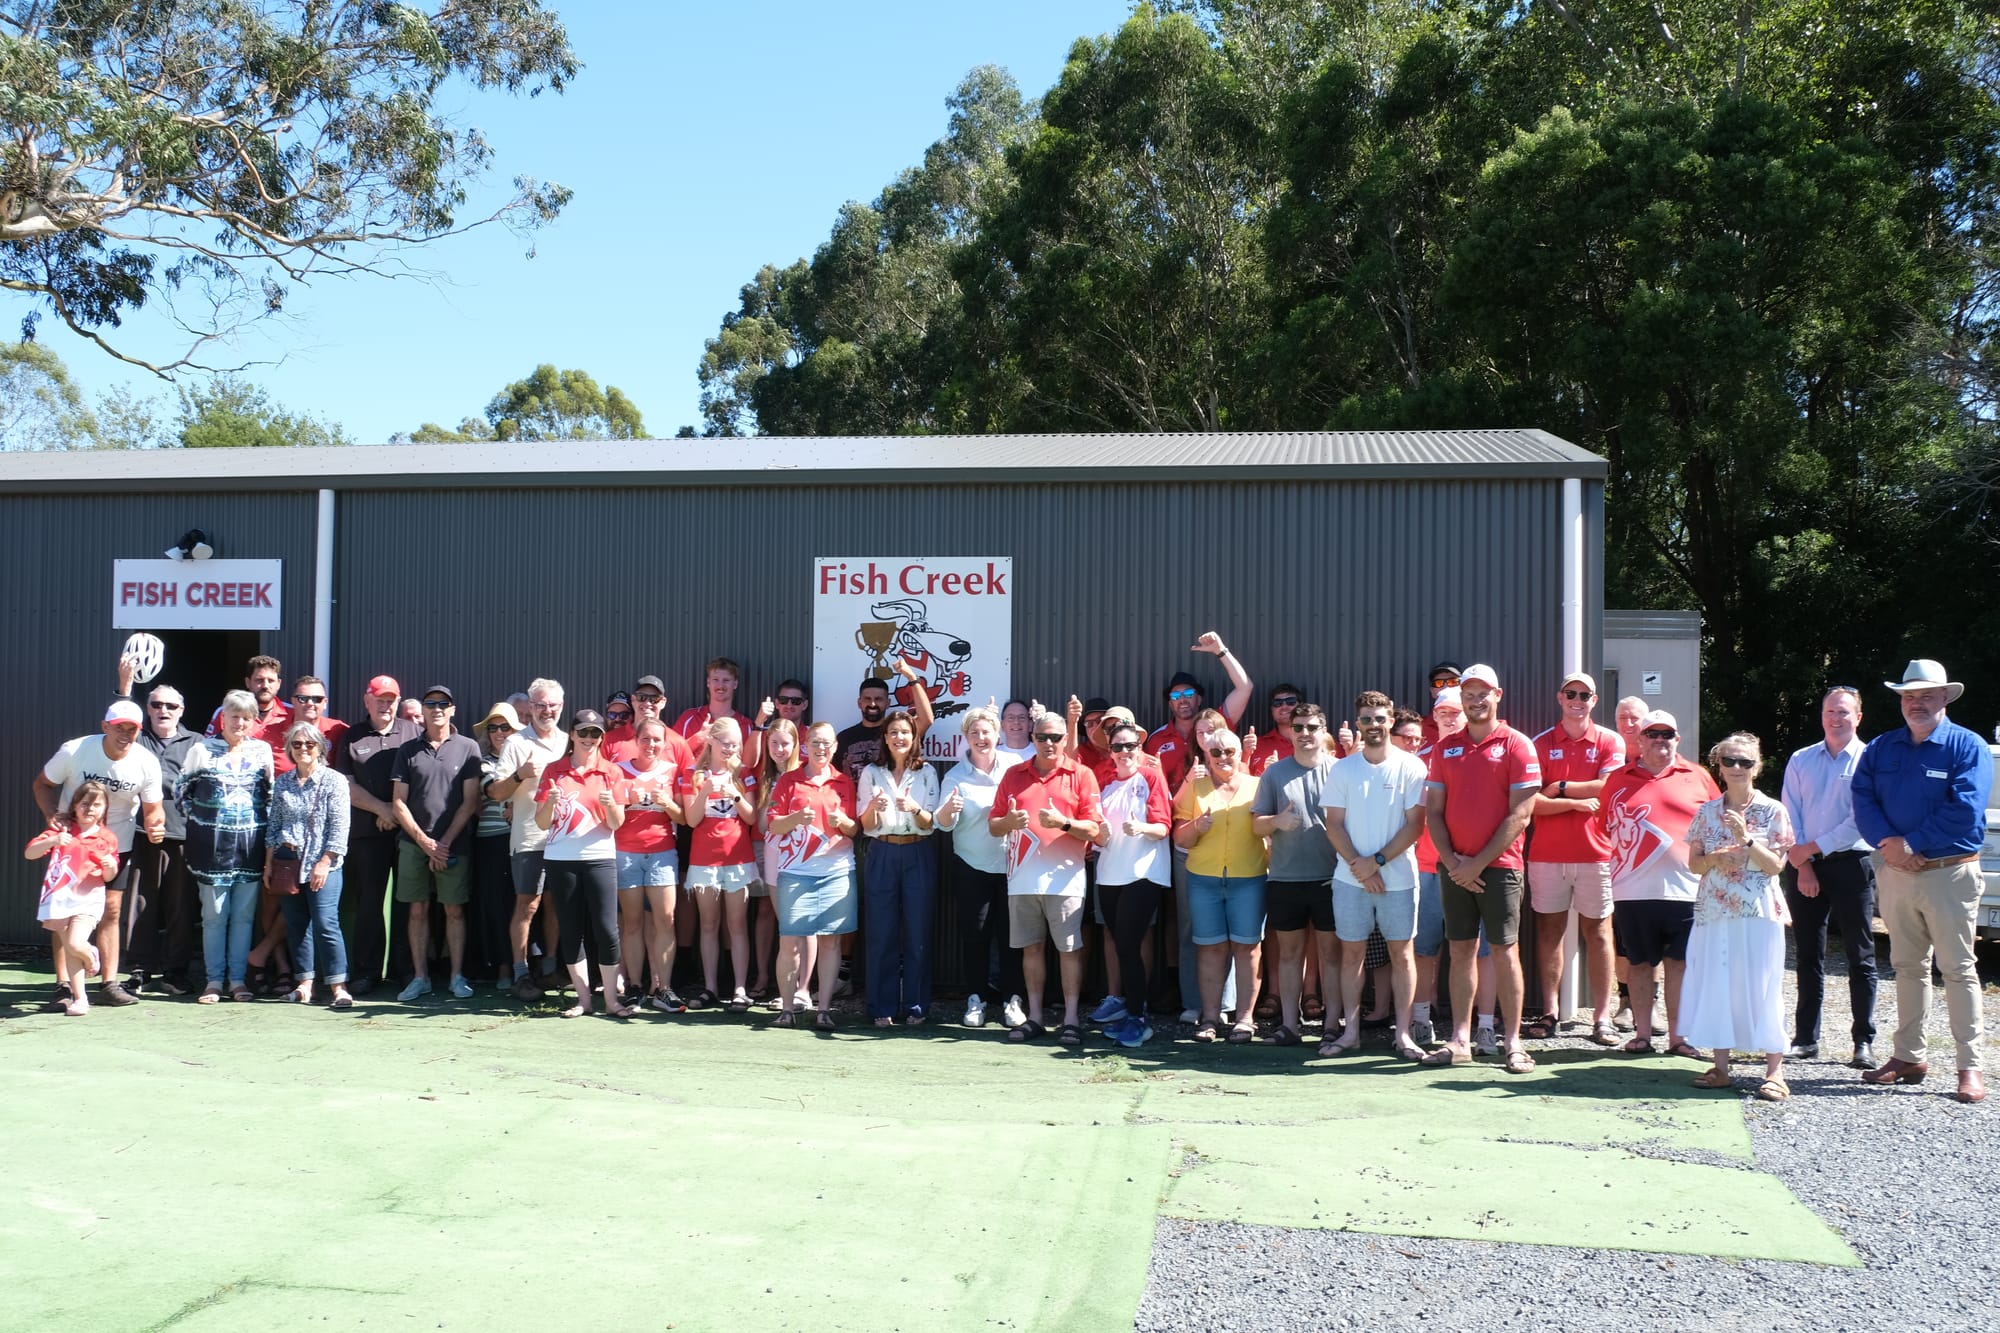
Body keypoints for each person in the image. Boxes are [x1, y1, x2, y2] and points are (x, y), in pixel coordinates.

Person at [1852, 659, 1993, 1104]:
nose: (1916, 703)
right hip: (1895, 873)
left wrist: (1910, 843)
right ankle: (1909, 1056)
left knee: (1958, 969)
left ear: (1945, 698)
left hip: (1949, 873)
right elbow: (1862, 798)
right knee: (1907, 966)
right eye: (1909, 696)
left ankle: (1970, 1066)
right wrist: (1889, 846)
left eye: (1926, 695)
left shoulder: (1967, 746)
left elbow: (1966, 809)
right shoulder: (1882, 747)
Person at [1421, 665, 1540, 1072]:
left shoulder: (1517, 744)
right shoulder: (1445, 748)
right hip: (1455, 869)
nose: (1475, 700)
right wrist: (1454, 862)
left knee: (1505, 951)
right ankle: (1459, 1040)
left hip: (1500, 867)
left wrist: (1477, 863)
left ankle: (1513, 1043)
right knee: (1460, 950)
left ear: (1497, 695)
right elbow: (1434, 812)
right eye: (1468, 694)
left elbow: (1521, 814)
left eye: (1482, 693)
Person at [40, 688, 169, 1012]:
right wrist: (52, 815)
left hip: (115, 844)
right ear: (105, 726)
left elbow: (153, 809)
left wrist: (155, 826)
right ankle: (63, 985)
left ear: (139, 731)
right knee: (63, 914)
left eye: (132, 729)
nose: (125, 734)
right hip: (71, 844)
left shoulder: (146, 762)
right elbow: (42, 784)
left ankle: (109, 983)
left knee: (111, 911)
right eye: (119, 727)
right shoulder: (75, 751)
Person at [1601, 710, 1719, 1061]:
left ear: (1677, 738)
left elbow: (1718, 823)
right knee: (1639, 963)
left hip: (1686, 889)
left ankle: (1678, 1038)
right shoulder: (1618, 778)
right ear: (1639, 740)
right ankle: (1641, 1034)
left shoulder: (1697, 776)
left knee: (1679, 964)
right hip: (1632, 890)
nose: (1659, 740)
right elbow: (1602, 825)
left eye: (1666, 733)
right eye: (1652, 734)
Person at [1682, 732, 1795, 1100]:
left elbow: (1776, 866)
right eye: (1728, 760)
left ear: (1756, 767)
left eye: (1744, 761)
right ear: (1719, 766)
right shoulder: (1706, 812)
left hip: (1759, 911)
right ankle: (1721, 1067)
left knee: (1764, 984)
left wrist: (1746, 839)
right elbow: (1695, 864)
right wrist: (1716, 858)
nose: (1736, 767)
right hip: (1715, 910)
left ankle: (1775, 1072)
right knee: (1719, 982)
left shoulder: (1773, 810)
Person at [1322, 694, 1430, 1062]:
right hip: (1350, 879)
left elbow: (1415, 825)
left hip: (1398, 880)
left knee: (1403, 955)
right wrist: (1360, 866)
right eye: (1366, 719)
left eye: (1380, 718)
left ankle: (1403, 1035)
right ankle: (1350, 1033)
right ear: (1358, 724)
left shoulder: (1412, 766)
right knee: (1351, 955)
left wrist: (1377, 862)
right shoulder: (1342, 769)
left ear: (1390, 721)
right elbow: (1333, 824)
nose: (1373, 725)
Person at [1779, 686, 1877, 1068]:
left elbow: (1859, 821)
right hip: (1804, 866)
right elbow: (1790, 815)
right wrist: (1803, 864)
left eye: (1844, 712)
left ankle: (1863, 1041)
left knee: (1861, 956)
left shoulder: (1870, 760)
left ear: (1858, 717)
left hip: (1851, 865)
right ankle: (1806, 1038)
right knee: (1807, 955)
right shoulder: (1801, 759)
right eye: (1830, 712)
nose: (1836, 718)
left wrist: (1813, 849)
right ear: (1822, 716)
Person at [992, 712, 1104, 1046]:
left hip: (1065, 880)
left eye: (1055, 737)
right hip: (1022, 879)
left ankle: (1071, 1019)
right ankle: (1036, 1017)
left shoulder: (1081, 774)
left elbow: (1095, 829)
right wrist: (1009, 822)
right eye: (1042, 737)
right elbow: (994, 825)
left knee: (1069, 951)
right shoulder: (1013, 774)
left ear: (1065, 739)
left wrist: (1064, 823)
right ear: (1033, 738)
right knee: (1031, 949)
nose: (1049, 743)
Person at [1526, 671, 1626, 1046]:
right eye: (1571, 693)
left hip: (1596, 853)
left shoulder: (1609, 740)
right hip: (1547, 855)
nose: (1577, 700)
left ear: (1594, 701)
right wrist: (1577, 803)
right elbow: (1530, 802)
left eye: (1585, 695)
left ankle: (1602, 1018)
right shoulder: (1539, 743)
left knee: (1599, 934)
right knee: (1548, 933)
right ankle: (1549, 1012)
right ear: (1560, 697)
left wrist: (1560, 788)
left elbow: (1610, 787)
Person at [532, 709, 633, 1018]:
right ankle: (583, 1001)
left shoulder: (611, 772)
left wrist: (611, 806)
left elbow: (616, 823)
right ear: (573, 734)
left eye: (595, 733)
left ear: (602, 738)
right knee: (571, 929)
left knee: (607, 930)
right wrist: (549, 803)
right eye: (584, 732)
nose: (589, 738)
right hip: (561, 860)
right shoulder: (554, 770)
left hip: (600, 859)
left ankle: (612, 1001)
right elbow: (541, 823)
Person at [1249, 702, 1338, 1046]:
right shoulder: (1274, 774)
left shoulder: (1340, 771)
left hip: (1332, 878)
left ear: (1323, 730)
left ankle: (1332, 1025)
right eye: (1298, 727)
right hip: (1285, 878)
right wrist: (1277, 821)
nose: (1304, 734)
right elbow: (1256, 825)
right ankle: (1289, 1026)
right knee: (1288, 955)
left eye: (1311, 727)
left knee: (1331, 956)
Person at [178, 690, 275, 1002]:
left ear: (254, 721)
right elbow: (181, 793)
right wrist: (205, 823)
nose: (240, 723)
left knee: (244, 917)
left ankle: (237, 981)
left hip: (250, 848)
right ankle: (214, 981)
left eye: (246, 718)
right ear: (223, 718)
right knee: (215, 916)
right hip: (210, 850)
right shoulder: (202, 750)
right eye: (234, 716)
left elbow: (269, 797)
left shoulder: (262, 751)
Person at [764, 721, 861, 1029]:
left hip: (837, 872)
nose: (821, 748)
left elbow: (854, 829)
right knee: (789, 943)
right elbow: (773, 824)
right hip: (796, 872)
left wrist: (842, 821)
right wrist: (794, 818)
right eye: (816, 742)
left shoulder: (844, 782)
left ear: (835, 747)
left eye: (827, 743)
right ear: (806, 745)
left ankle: (824, 1009)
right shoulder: (789, 780)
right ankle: (787, 1010)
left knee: (831, 943)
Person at [388, 686, 482, 1002]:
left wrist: (443, 843)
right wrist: (425, 842)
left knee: (454, 910)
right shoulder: (407, 750)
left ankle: (456, 977)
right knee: (417, 910)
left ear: (453, 709)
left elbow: (470, 801)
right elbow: (398, 802)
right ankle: (420, 978)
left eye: (443, 703)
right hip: (414, 844)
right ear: (424, 710)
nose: (437, 708)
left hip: (454, 844)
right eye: (430, 704)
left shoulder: (468, 747)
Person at [1173, 727, 1265, 1044]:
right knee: (1209, 948)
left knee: (1248, 948)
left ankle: (1245, 1020)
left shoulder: (1257, 785)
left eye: (1229, 751)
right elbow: (1180, 838)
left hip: (1249, 876)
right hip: (1204, 878)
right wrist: (1197, 826)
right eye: (1216, 752)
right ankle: (1210, 1018)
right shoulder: (1195, 787)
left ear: (1240, 754)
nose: (1223, 757)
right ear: (1206, 756)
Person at [936, 706, 1024, 1029]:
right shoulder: (955, 776)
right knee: (975, 937)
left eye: (986, 731)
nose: (981, 737)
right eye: (974, 733)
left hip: (1013, 867)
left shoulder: (1015, 767)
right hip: (972, 867)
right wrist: (948, 809)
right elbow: (943, 824)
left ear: (998, 735)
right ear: (966, 737)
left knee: (1012, 937)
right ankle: (976, 999)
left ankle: (1013, 1000)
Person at [1088, 719, 1171, 1047]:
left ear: (1140, 747)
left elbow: (1163, 827)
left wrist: (1142, 829)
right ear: (1110, 750)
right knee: (1121, 945)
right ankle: (1130, 1011)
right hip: (1109, 874)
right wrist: (1097, 834)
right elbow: (1096, 830)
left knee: (1127, 945)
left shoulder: (1151, 776)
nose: (1125, 751)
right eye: (1118, 746)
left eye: (1130, 745)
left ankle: (1138, 1018)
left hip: (1143, 874)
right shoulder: (1103, 780)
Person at [336, 675, 421, 995]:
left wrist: (396, 814)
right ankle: (367, 972)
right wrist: (382, 809)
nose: (385, 705)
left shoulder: (413, 732)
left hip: (408, 833)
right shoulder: (352, 735)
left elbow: (422, 780)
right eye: (379, 699)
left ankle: (406, 971)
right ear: (367, 700)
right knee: (369, 904)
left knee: (407, 903)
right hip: (366, 834)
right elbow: (346, 785)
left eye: (391, 700)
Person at [485, 678, 568, 999]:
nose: (547, 711)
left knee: (556, 904)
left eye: (553, 705)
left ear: (561, 706)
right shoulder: (516, 743)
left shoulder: (568, 741)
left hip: (565, 839)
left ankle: (549, 970)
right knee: (527, 905)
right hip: (529, 838)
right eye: (541, 705)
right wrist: (520, 774)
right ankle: (521, 974)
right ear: (531, 708)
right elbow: (495, 792)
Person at [119, 673, 202, 995]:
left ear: (181, 710)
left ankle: (175, 972)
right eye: (156, 705)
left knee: (181, 906)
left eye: (170, 706)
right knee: (140, 902)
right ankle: (139, 970)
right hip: (140, 832)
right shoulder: (136, 739)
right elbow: (118, 721)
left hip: (183, 834)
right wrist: (124, 690)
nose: (163, 710)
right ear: (148, 708)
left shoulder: (197, 743)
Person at [858, 710, 940, 1027]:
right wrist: (872, 808)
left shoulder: (927, 772)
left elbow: (930, 823)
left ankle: (916, 1006)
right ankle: (882, 1006)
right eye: (893, 732)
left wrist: (914, 808)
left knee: (918, 932)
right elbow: (866, 825)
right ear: (885, 737)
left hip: (918, 851)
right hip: (882, 851)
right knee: (881, 933)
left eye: (905, 732)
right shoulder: (871, 772)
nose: (899, 737)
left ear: (914, 737)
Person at [264, 722, 354, 1009]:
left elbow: (339, 827)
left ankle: (339, 987)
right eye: (297, 744)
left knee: (326, 923)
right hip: (287, 863)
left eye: (310, 744)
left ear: (320, 748)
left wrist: (325, 862)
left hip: (323, 863)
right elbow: (274, 826)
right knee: (296, 924)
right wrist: (269, 863)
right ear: (290, 748)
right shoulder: (283, 782)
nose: (303, 749)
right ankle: (305, 984)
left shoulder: (334, 781)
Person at [679, 716, 762, 1012]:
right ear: (711, 741)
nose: (730, 749)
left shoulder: (744, 772)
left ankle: (739, 988)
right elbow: (691, 820)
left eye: (735, 744)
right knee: (709, 924)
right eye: (725, 743)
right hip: (704, 860)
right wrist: (705, 790)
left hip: (738, 858)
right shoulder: (692, 773)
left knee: (737, 925)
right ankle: (711, 987)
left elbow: (751, 817)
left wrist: (734, 794)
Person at [28, 781, 121, 1015]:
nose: (90, 809)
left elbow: (109, 876)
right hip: (59, 900)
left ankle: (91, 956)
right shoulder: (62, 830)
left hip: (88, 899)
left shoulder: (107, 838)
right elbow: (30, 853)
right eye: (85, 803)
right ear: (75, 806)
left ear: (105, 808)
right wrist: (52, 841)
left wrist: (110, 866)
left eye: (97, 804)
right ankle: (81, 999)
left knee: (75, 944)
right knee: (70, 951)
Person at [616, 717, 685, 1012]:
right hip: (626, 852)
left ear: (665, 743)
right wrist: (626, 801)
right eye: (645, 738)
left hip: (662, 852)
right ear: (636, 740)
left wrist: (667, 803)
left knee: (665, 920)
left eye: (657, 739)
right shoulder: (619, 770)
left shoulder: (672, 770)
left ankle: (664, 989)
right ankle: (635, 987)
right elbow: (610, 815)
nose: (651, 744)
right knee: (631, 922)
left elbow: (683, 817)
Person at [470, 703, 522, 988]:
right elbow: (493, 791)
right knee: (497, 906)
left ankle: (526, 966)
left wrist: (518, 806)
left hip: (525, 839)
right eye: (493, 728)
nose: (499, 733)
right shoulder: (483, 762)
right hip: (492, 841)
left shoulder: (527, 758)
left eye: (505, 727)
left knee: (524, 906)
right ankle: (503, 967)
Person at [756, 718, 807, 1007]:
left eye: (785, 743)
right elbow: (764, 825)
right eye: (774, 743)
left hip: (801, 855)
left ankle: (803, 989)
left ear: (796, 744)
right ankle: (780, 984)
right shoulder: (766, 776)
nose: (779, 749)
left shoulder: (803, 774)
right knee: (784, 922)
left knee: (802, 923)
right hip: (774, 853)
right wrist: (773, 804)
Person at [676, 657, 761, 767]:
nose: (720, 686)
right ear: (708, 682)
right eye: (715, 680)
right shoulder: (689, 718)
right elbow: (671, 755)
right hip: (692, 778)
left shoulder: (747, 725)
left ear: (735, 684)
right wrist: (698, 738)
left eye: (726, 680)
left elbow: (749, 766)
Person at [205, 654, 292, 748]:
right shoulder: (226, 711)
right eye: (259, 680)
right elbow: (208, 746)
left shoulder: (292, 712)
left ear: (278, 684)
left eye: (271, 681)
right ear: (248, 682)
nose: (265, 686)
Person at [998, 699, 1036, 763]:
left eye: (1021, 718)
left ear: (1030, 725)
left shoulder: (1040, 753)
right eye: (1011, 718)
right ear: (1002, 725)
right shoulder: (993, 754)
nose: (1016, 722)